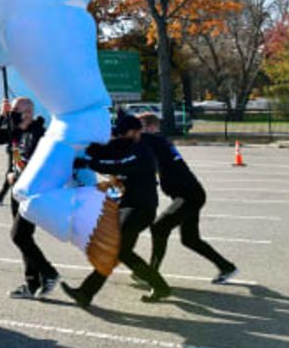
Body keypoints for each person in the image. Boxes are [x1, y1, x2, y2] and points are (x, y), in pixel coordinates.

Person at [62, 115, 172, 307]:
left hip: (141, 208)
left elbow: (118, 165)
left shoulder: (142, 151)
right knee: (122, 252)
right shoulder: (122, 145)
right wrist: (78, 152)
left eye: (124, 133)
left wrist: (91, 163)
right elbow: (100, 151)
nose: (119, 136)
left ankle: (86, 292)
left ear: (136, 132)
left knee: (115, 249)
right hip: (126, 206)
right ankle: (159, 286)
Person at [137, 113, 238, 284]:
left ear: (152, 127)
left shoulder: (157, 140)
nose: (138, 132)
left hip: (189, 196)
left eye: (140, 127)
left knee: (159, 227)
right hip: (190, 194)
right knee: (190, 240)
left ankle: (151, 274)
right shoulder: (157, 144)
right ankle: (227, 267)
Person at [0, 97, 59, 299]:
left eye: (16, 109)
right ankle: (32, 284)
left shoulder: (39, 134)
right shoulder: (16, 130)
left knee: (19, 236)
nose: (12, 112)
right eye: (12, 109)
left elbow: (39, 167)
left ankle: (49, 273)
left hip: (33, 194)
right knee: (23, 238)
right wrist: (2, 116)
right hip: (18, 192)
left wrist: (16, 176)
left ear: (28, 112)